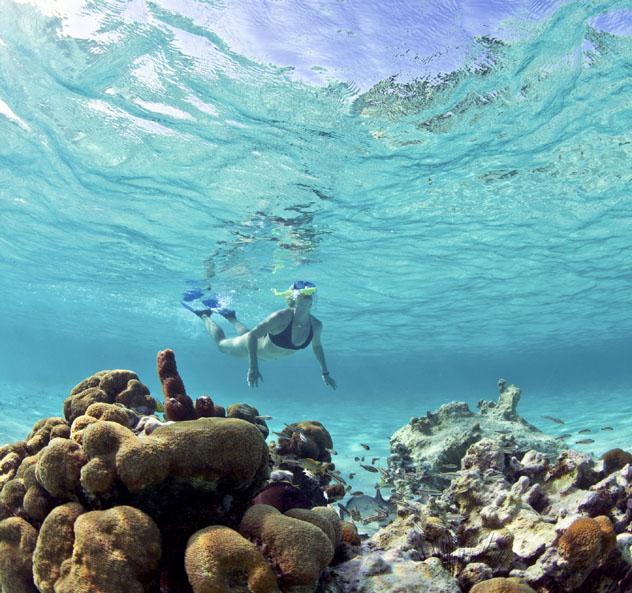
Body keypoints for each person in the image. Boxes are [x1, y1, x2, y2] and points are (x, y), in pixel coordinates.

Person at [182, 281, 336, 389]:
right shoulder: (281, 317)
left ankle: (231, 317)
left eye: (309, 293)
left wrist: (325, 372)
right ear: (293, 299)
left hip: (264, 352)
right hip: (249, 349)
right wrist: (253, 367)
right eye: (302, 293)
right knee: (221, 345)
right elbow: (252, 337)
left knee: (247, 332)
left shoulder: (316, 325)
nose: (306, 295)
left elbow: (317, 346)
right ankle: (204, 315)